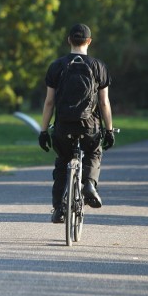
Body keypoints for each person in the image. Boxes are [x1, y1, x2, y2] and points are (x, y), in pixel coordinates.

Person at [38, 24, 116, 223]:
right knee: (93, 152)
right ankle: (89, 183)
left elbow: (49, 102)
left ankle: (58, 208)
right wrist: (108, 130)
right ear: (89, 41)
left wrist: (43, 131)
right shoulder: (99, 66)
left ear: (68, 40)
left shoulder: (56, 66)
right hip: (89, 126)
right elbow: (104, 102)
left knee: (63, 162)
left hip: (63, 127)